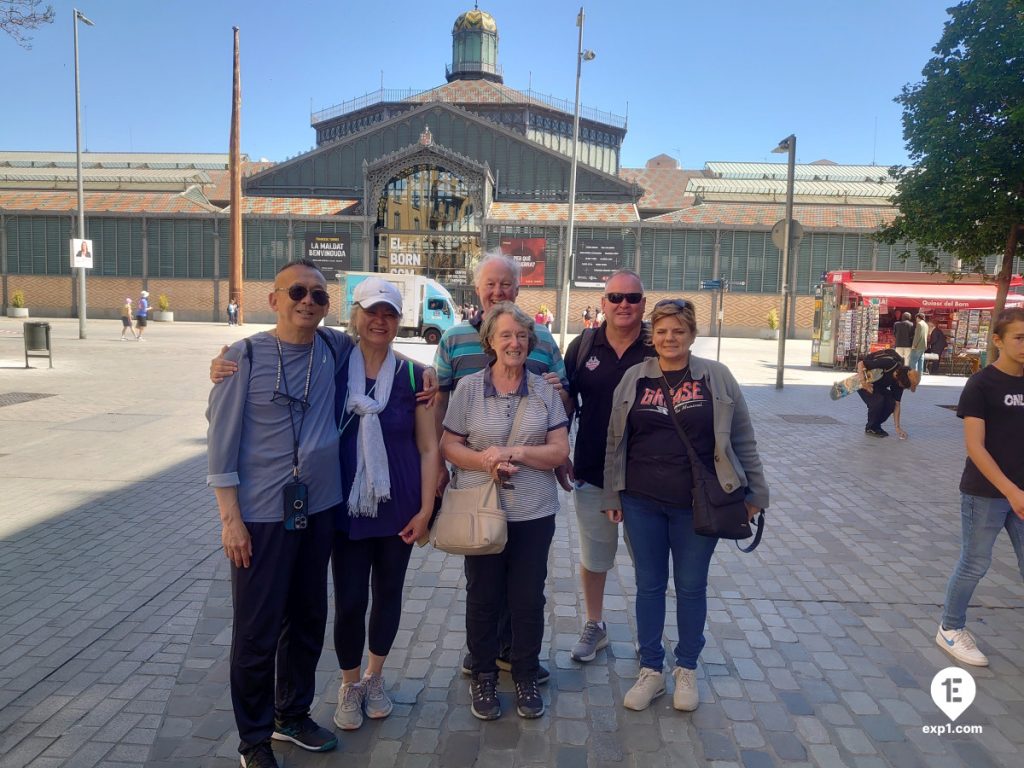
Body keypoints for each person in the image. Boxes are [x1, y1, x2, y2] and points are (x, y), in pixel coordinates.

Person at [206, 259, 346, 768]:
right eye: (297, 293)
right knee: (257, 629)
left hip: (319, 509)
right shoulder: (241, 357)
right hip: (261, 516)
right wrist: (230, 519)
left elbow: (384, 353)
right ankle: (254, 740)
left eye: (319, 295)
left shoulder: (334, 348)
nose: (308, 302)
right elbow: (219, 444)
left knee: (309, 618)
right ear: (274, 299)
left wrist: (428, 383)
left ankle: (292, 714)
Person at [602, 298, 768, 713]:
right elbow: (614, 439)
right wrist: (611, 494)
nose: (669, 338)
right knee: (649, 586)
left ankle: (687, 668)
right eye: (661, 331)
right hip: (641, 501)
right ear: (651, 336)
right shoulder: (634, 379)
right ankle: (652, 669)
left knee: (691, 587)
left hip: (698, 503)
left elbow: (743, 437)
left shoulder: (717, 377)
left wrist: (756, 494)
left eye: (678, 331)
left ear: (692, 334)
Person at [433, 252, 570, 684]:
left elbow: (564, 400)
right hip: (477, 487)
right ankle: (485, 658)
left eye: (505, 284)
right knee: (486, 586)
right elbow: (439, 403)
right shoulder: (454, 340)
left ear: (517, 287)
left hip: (531, 491)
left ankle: (516, 656)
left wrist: (555, 401)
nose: (497, 291)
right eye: (490, 284)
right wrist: (439, 464)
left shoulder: (543, 341)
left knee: (526, 589)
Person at [331, 278, 440, 731]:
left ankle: (375, 678)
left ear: (400, 321)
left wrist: (426, 509)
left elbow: (429, 447)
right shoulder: (333, 367)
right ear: (355, 315)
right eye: (372, 311)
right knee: (351, 600)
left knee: (388, 596)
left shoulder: (415, 376)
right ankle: (349, 683)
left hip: (400, 506)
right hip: (346, 507)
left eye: (390, 314)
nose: (380, 321)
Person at [563, 270, 655, 663]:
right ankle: (595, 624)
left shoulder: (657, 347)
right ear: (602, 304)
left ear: (643, 304)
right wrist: (557, 451)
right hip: (593, 468)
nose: (624, 305)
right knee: (595, 556)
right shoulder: (584, 347)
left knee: (648, 562)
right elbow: (564, 404)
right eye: (615, 297)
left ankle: (648, 634)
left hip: (648, 476)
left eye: (632, 298)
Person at [936, 308, 1024, 667]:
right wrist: (1011, 490)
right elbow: (976, 446)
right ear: (998, 341)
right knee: (975, 563)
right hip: (985, 493)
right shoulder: (981, 385)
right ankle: (950, 628)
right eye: (1019, 337)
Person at [856, 348, 921, 438]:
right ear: (902, 379)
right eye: (903, 385)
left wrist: (898, 428)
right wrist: (863, 382)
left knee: (891, 402)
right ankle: (870, 427)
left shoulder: (899, 384)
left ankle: (875, 426)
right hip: (864, 382)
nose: (902, 387)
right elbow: (861, 363)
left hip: (877, 386)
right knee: (878, 401)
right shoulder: (889, 363)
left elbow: (897, 404)